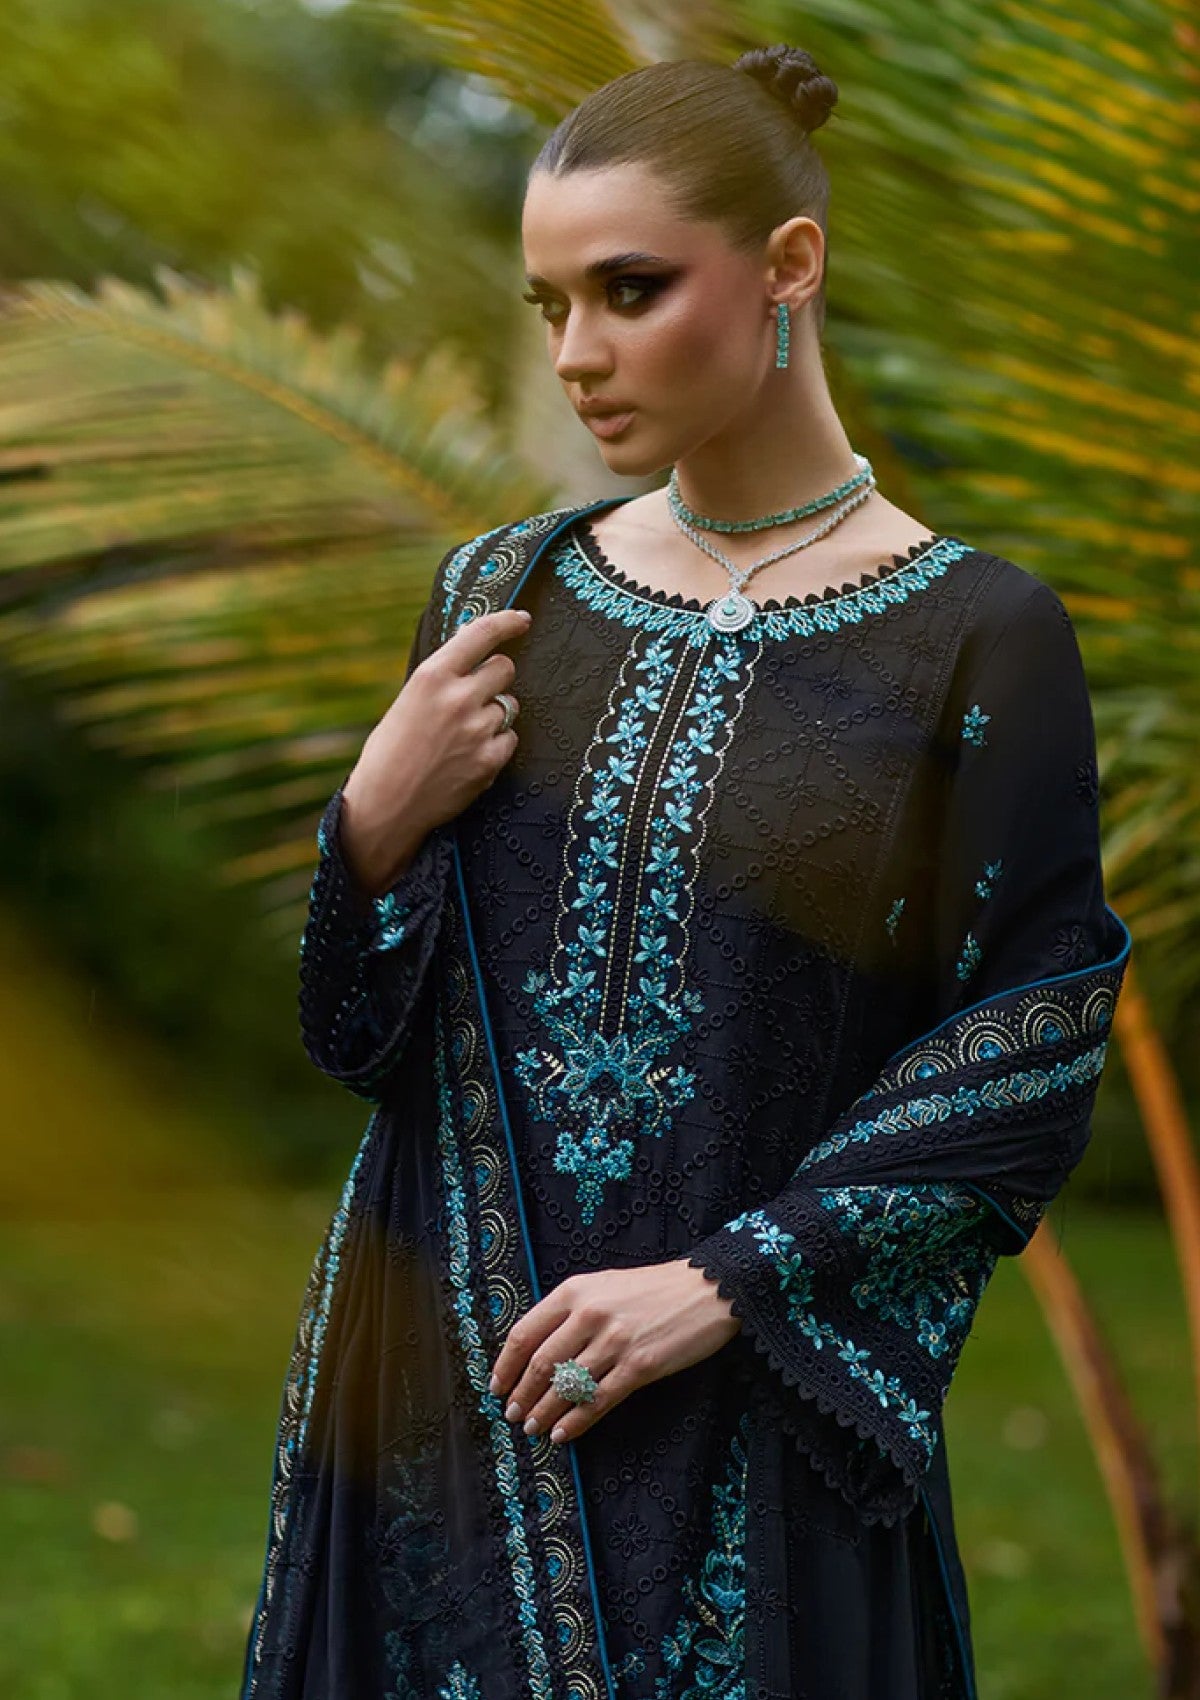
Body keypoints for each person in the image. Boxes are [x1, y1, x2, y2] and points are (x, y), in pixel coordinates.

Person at [240, 43, 1130, 1700]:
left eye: (629, 290)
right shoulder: (502, 599)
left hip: (757, 1406)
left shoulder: (977, 634)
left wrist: (726, 1282)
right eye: (550, 303)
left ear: (789, 263)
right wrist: (370, 819)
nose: (578, 352)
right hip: (450, 1418)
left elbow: (1029, 1043)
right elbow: (359, 1036)